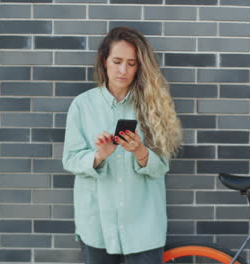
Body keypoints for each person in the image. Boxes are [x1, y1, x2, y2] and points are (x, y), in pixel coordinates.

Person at [62, 26, 182, 264]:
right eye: (117, 61)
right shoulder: (82, 105)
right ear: (104, 61)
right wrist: (98, 156)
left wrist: (140, 152)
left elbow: (161, 168)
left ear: (139, 67)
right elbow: (70, 159)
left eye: (131, 63)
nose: (123, 70)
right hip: (97, 226)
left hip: (143, 227)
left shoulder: (153, 106)